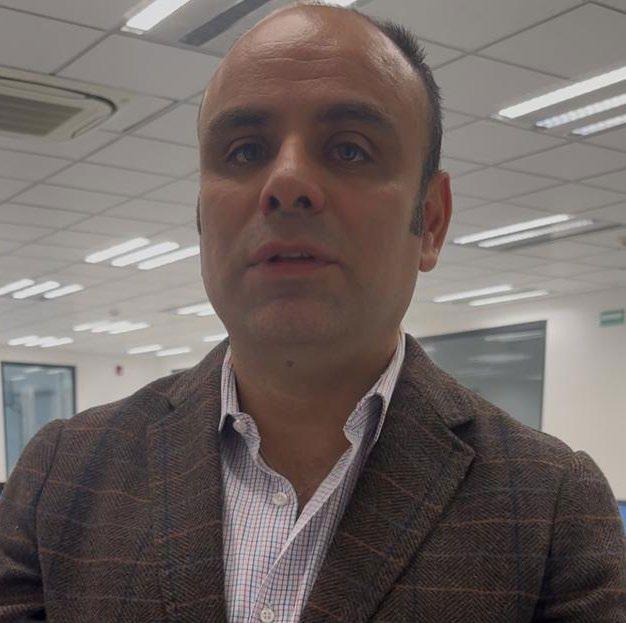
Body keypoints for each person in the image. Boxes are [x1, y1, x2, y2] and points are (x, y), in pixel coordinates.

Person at [0, 1, 624, 621]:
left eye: (349, 150)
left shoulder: (551, 508)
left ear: (431, 221)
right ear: (201, 216)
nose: (287, 181)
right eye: (244, 152)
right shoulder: (61, 476)